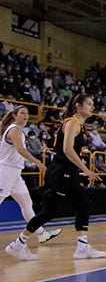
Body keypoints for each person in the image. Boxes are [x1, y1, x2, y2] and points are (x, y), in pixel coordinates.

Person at [7, 94, 105, 260]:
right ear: (78, 106)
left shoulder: (79, 125)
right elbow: (67, 149)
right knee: (49, 212)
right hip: (60, 171)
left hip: (70, 172)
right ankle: (18, 244)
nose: (92, 107)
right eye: (89, 103)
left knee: (83, 205)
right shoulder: (72, 122)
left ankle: (82, 247)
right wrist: (86, 170)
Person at [2, 106, 61, 260]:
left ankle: (42, 234)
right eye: (22, 113)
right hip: (5, 171)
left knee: (27, 205)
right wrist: (37, 162)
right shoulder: (14, 129)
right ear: (15, 115)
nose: (25, 116)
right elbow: (20, 149)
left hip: (15, 173)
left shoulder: (18, 131)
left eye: (27, 114)